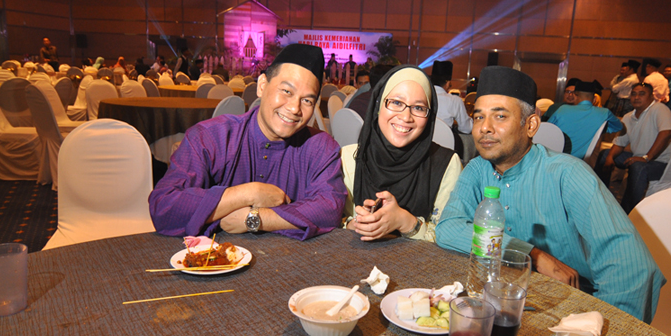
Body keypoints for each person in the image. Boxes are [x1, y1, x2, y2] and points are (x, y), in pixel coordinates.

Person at [436, 66, 664, 322]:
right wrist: (532, 254)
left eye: (500, 116)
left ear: (530, 125)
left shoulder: (568, 174)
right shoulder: (477, 169)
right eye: (478, 117)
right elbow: (448, 228)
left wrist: (597, 327)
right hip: (502, 303)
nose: (484, 128)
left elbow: (632, 269)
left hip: (570, 307)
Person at [149, 44, 347, 239]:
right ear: (262, 86)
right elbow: (164, 207)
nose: (295, 108)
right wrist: (248, 193)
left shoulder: (320, 146)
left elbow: (330, 208)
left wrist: (256, 219)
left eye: (307, 101)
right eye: (287, 91)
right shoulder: (211, 137)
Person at [342, 65, 462, 242]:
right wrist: (355, 224)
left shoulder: (445, 164)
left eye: (419, 108)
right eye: (397, 103)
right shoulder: (348, 158)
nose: (406, 117)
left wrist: (405, 222)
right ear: (378, 105)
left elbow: (452, 238)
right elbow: (329, 223)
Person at [595, 83, 671, 214]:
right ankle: (600, 199)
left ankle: (628, 212)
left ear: (651, 96)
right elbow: (620, 143)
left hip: (662, 163)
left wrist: (646, 157)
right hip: (639, 158)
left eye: (642, 94)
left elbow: (666, 133)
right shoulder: (628, 117)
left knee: (637, 166)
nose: (637, 97)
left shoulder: (659, 109)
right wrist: (610, 157)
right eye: (634, 94)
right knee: (605, 155)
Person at [548, 80, 622, 159]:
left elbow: (548, 129)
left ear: (575, 95)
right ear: (594, 98)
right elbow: (619, 127)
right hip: (581, 161)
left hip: (555, 157)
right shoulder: (604, 113)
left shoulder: (562, 109)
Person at [430, 60, 472, 134]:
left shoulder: (422, 97)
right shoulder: (455, 100)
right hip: (445, 140)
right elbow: (466, 129)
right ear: (448, 83)